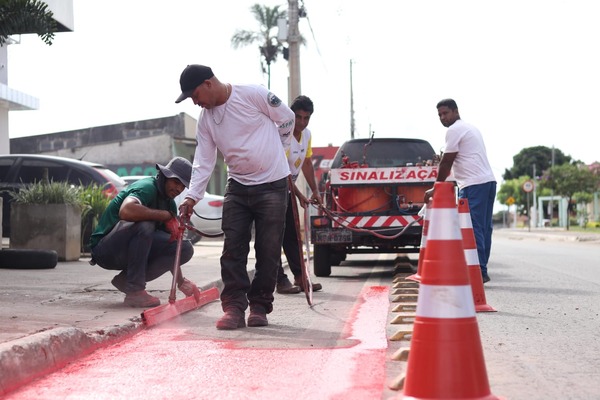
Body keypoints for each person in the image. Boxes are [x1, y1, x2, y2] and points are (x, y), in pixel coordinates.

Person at [175, 64, 294, 330]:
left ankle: (260, 307)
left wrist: (280, 147)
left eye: (195, 95)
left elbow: (286, 119)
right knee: (233, 250)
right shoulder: (206, 121)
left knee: (269, 250)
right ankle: (234, 307)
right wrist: (191, 197)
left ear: (208, 83)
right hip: (238, 187)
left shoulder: (252, 94)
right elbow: (203, 162)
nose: (195, 103)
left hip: (273, 185)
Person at [89, 157, 199, 307]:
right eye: (176, 182)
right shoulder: (147, 187)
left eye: (183, 186)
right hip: (106, 250)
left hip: (129, 251)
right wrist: (166, 216)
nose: (179, 189)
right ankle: (135, 291)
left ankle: (127, 280)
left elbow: (171, 247)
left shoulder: (170, 204)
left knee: (183, 247)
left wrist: (181, 281)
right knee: (145, 225)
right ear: (165, 175)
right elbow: (126, 210)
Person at [425, 98, 497, 283]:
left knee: (473, 228)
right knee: (483, 228)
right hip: (488, 182)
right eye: (439, 115)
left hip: (474, 185)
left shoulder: (454, 129)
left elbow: (447, 161)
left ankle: (478, 271)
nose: (442, 117)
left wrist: (436, 187)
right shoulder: (470, 128)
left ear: (456, 111)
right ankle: (482, 269)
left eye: (445, 113)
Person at [276, 95, 324, 294]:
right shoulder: (282, 133)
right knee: (273, 237)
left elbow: (306, 163)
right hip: (272, 187)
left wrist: (315, 191)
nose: (302, 122)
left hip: (287, 189)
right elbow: (282, 171)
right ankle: (279, 280)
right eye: (299, 117)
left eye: (307, 118)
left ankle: (300, 277)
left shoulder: (307, 135)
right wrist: (298, 195)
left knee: (293, 235)